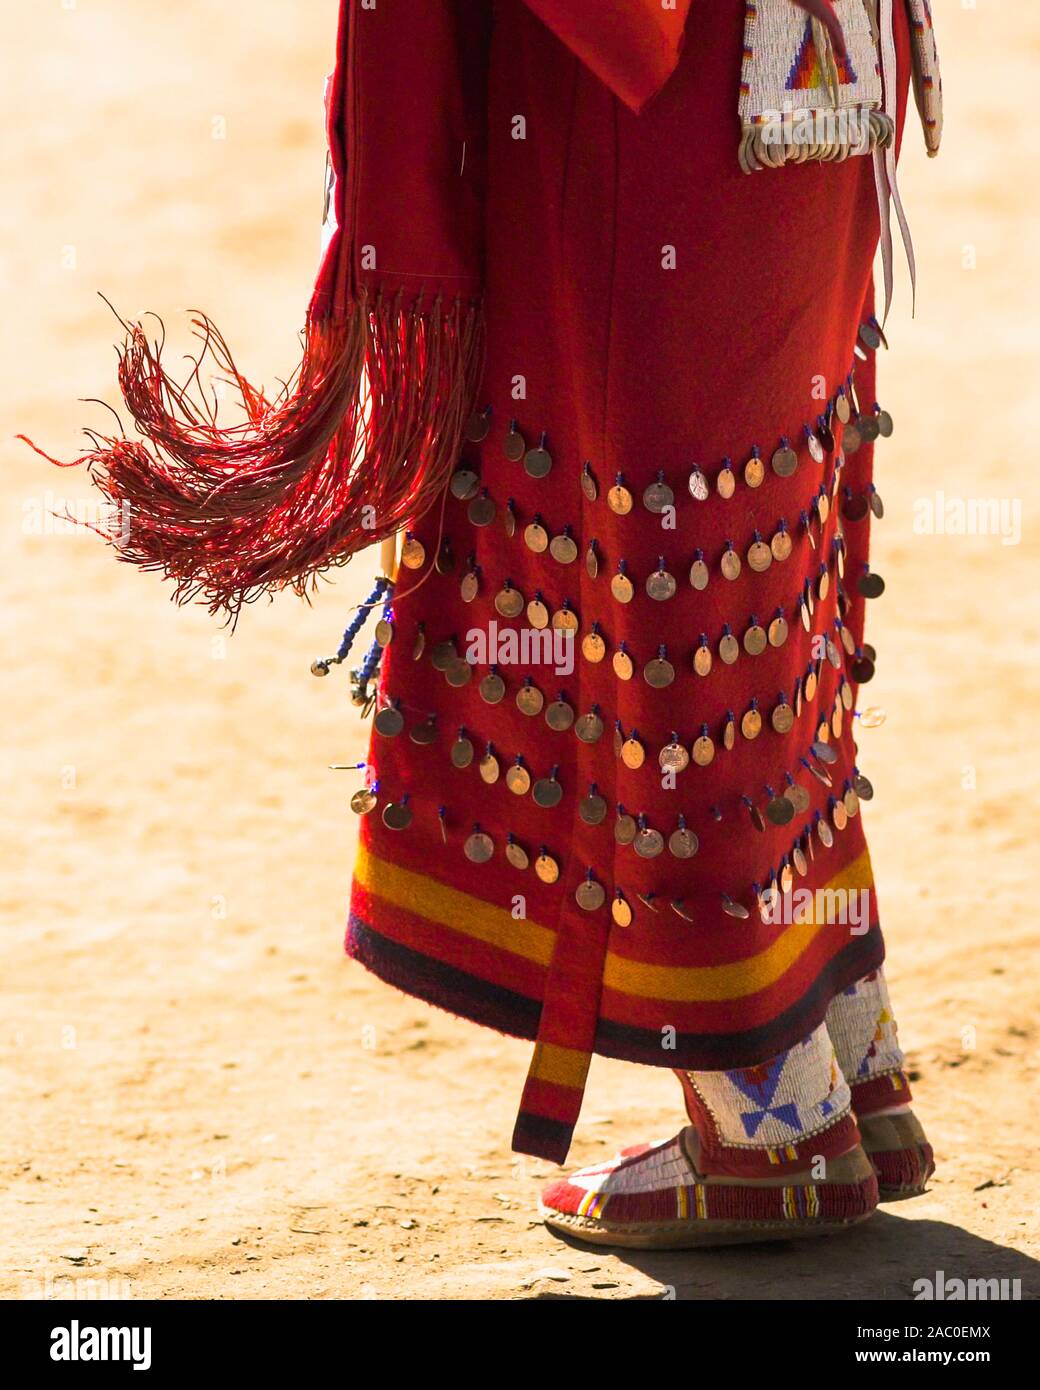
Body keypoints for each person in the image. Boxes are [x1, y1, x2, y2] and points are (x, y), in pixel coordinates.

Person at [45, 0, 942, 1248]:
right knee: (756, 549)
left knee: (650, 563)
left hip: (658, 102)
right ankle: (841, 1048)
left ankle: (767, 1118)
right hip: (803, 65)